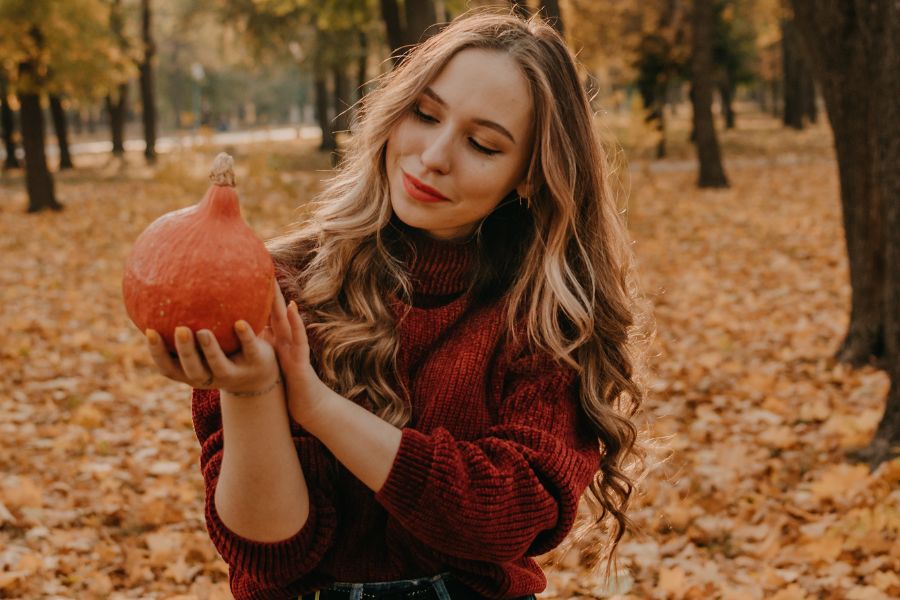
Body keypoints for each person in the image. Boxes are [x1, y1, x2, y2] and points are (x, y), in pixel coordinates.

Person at [145, 9, 645, 600]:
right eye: (425, 114)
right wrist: (250, 391)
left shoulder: (543, 319)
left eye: (483, 145)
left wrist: (318, 407)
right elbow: (267, 552)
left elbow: (510, 513)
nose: (434, 155)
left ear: (530, 176)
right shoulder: (273, 290)